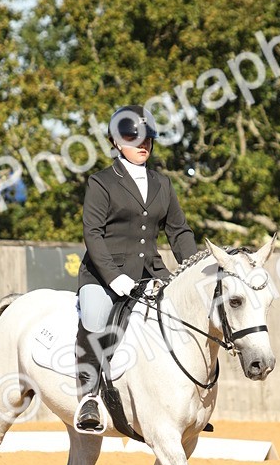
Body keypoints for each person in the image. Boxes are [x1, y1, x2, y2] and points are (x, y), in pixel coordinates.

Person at [74, 104, 198, 432]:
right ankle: (88, 398)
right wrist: (114, 278)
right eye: (134, 138)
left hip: (151, 272)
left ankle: (187, 401)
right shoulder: (101, 182)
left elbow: (179, 231)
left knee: (185, 317)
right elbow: (93, 234)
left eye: (147, 139)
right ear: (117, 142)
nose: (143, 144)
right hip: (104, 274)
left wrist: (194, 271)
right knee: (95, 316)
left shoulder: (162, 184)